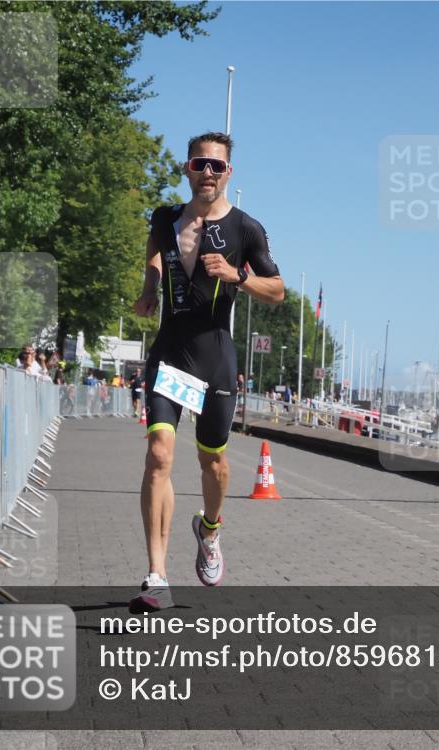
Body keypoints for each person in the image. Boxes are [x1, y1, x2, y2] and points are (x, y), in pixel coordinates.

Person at [130, 131, 284, 612]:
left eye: (217, 166)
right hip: (171, 351)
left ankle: (209, 527)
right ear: (187, 169)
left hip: (215, 357)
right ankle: (156, 574)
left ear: (228, 173)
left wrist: (238, 275)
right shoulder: (164, 217)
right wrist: (151, 286)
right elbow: (156, 252)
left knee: (212, 463)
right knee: (159, 454)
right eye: (200, 164)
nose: (208, 173)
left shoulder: (246, 229)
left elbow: (277, 290)